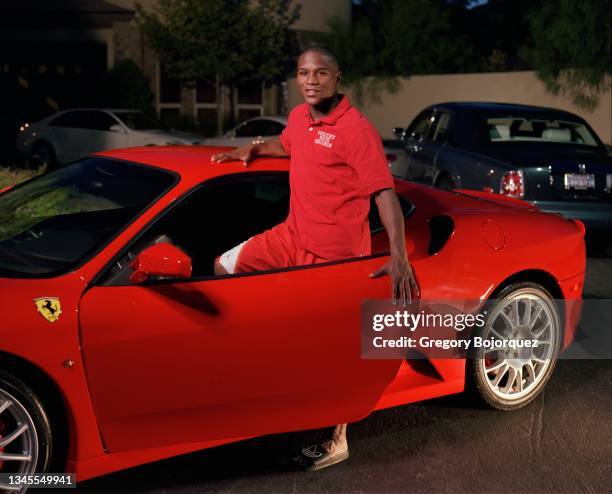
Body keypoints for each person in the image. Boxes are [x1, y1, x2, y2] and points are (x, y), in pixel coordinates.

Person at [211, 45, 419, 471]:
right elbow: (285, 144)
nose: (310, 80)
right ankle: (253, 382)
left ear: (337, 78)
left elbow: (384, 195)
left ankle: (336, 438)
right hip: (291, 237)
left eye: (320, 73)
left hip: (336, 257)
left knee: (334, 350)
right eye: (304, 73)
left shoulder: (356, 130)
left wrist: (398, 256)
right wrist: (251, 149)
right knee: (223, 268)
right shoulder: (299, 118)